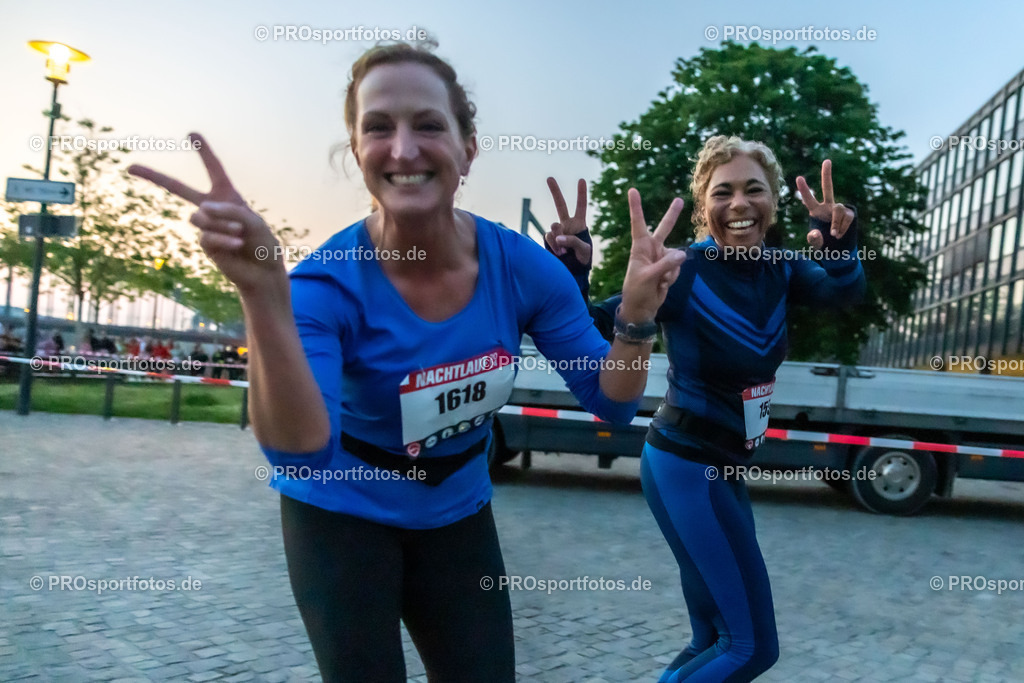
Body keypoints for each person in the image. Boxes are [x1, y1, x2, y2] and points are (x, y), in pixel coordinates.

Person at [128, 42, 686, 682]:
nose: (402, 148)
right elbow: (300, 452)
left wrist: (636, 319)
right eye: (378, 128)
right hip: (339, 515)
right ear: (356, 150)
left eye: (428, 125)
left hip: (457, 512)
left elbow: (611, 402)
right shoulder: (325, 287)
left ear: (468, 148)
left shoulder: (523, 268)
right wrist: (263, 292)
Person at [547, 135, 865, 681]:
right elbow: (587, 327)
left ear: (772, 202)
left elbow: (843, 293)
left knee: (714, 637)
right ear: (704, 206)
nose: (739, 203)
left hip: (722, 468)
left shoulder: (783, 270)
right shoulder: (683, 269)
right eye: (723, 192)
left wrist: (842, 243)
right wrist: (574, 268)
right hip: (686, 466)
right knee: (750, 647)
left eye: (753, 189)